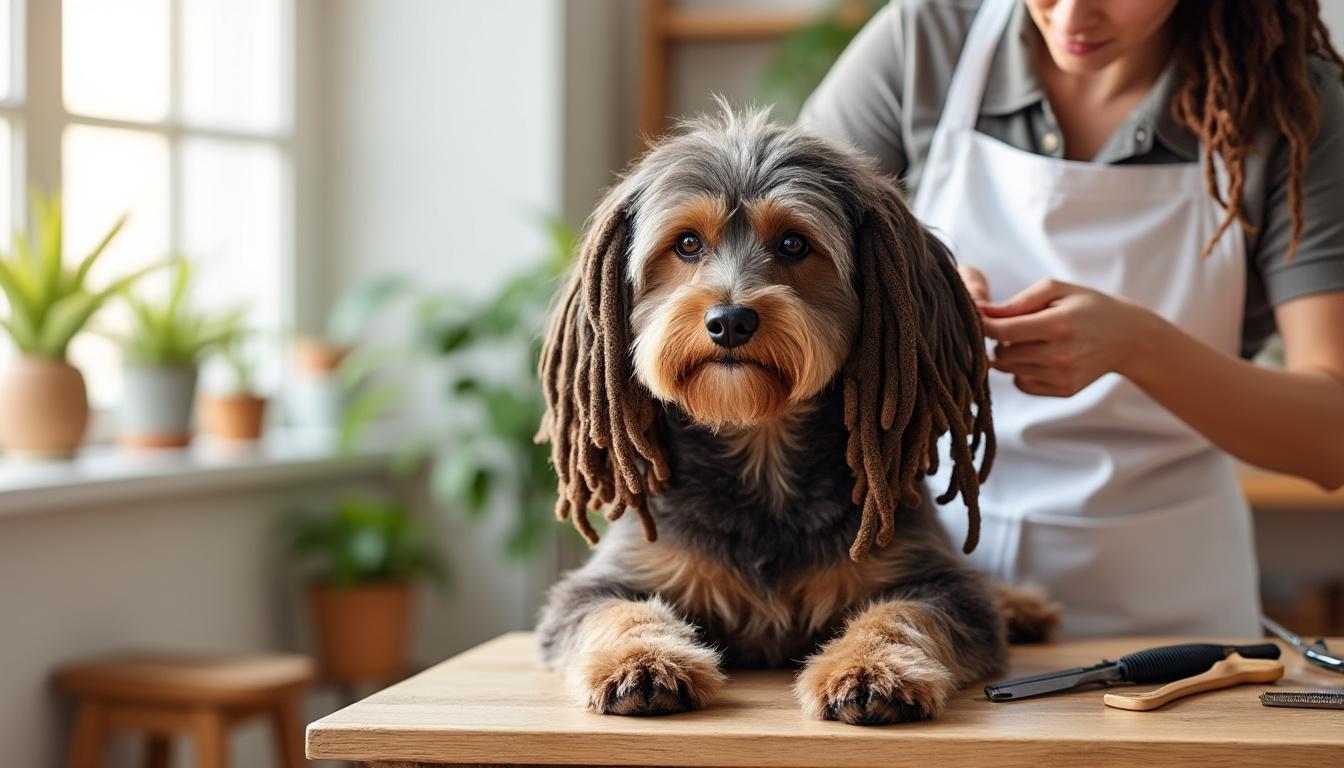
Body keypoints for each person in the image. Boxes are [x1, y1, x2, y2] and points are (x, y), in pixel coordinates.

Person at [800, 0, 1344, 637]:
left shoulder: (1287, 99)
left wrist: (1139, 348)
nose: (1073, 18)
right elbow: (784, 266)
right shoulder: (925, 41)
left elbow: (1330, 439)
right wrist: (921, 300)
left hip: (1169, 609)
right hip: (915, 590)